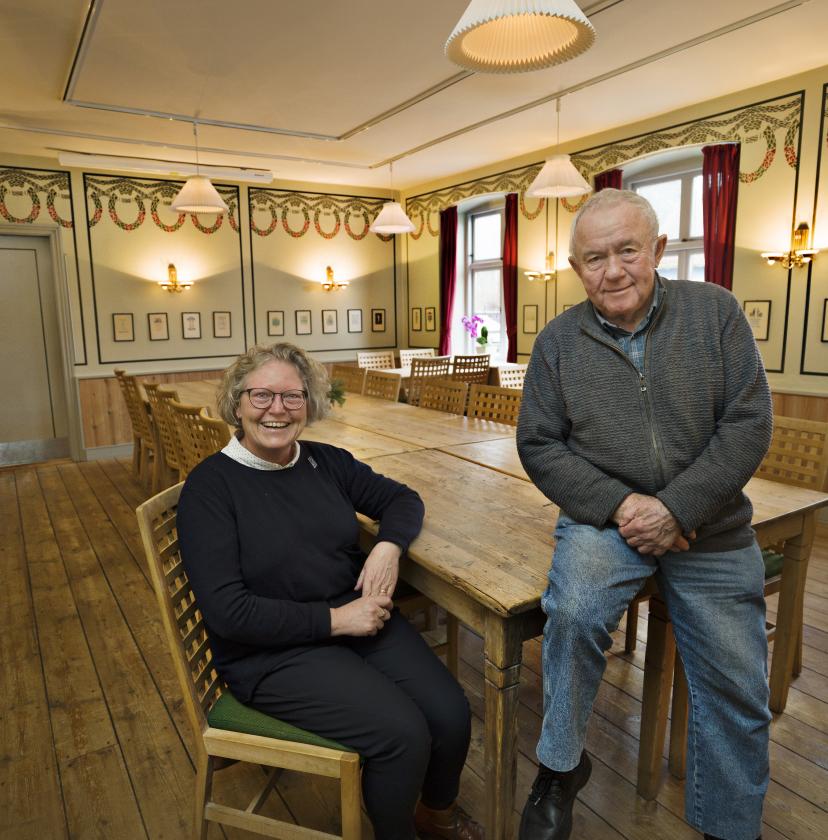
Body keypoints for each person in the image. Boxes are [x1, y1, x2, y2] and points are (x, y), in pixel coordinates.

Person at [516, 189, 772, 840]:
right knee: (571, 616)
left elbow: (747, 424)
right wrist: (624, 504)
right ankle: (559, 768)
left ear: (657, 250)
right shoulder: (556, 343)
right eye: (595, 258)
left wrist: (677, 507)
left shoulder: (714, 314)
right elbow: (540, 444)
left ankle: (729, 826)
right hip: (607, 520)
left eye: (627, 250)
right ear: (577, 269)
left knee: (738, 683)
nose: (613, 271)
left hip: (709, 523)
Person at [177, 343, 481, 840]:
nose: (277, 410)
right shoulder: (210, 489)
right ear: (236, 404)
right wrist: (338, 621)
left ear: (309, 404)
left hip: (356, 618)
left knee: (449, 713)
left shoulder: (326, 462)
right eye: (262, 396)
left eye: (292, 397)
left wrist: (387, 546)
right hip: (272, 652)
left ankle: (437, 814)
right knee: (402, 734)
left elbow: (401, 498)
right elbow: (229, 613)